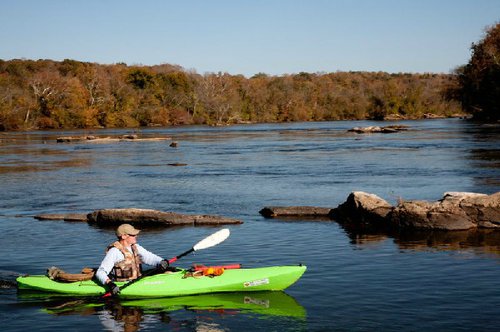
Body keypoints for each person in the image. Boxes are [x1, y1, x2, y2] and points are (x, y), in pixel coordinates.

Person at [96, 223, 170, 296]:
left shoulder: (135, 247)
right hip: (123, 285)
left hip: (138, 281)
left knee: (168, 272)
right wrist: (110, 284)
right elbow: (100, 272)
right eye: (133, 235)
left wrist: (161, 261)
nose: (136, 236)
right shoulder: (114, 251)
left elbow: (149, 257)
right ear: (124, 236)